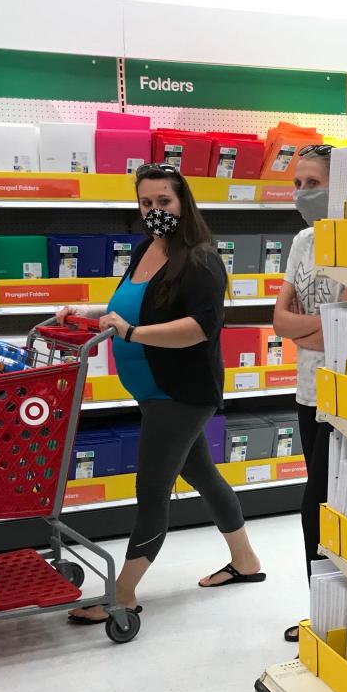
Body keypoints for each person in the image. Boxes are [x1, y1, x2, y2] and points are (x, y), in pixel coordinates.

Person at [63, 163, 265, 624]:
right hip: (153, 389)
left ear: (184, 203)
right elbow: (130, 305)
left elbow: (199, 328)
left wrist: (130, 334)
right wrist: (88, 310)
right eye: (146, 203)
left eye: (164, 202)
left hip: (181, 394)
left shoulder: (201, 260)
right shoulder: (146, 249)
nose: (155, 211)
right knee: (203, 475)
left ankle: (124, 594)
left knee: (152, 490)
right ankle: (247, 562)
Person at [273, 144, 347, 642]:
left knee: (326, 504)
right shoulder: (304, 241)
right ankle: (321, 609)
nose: (303, 194)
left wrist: (308, 330)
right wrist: (318, 328)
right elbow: (279, 319)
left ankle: (340, 613)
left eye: (314, 184)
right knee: (314, 504)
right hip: (308, 392)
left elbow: (341, 329)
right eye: (298, 184)